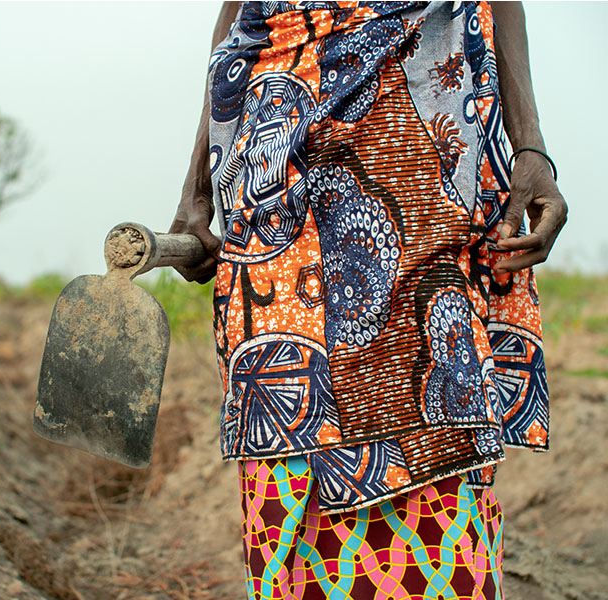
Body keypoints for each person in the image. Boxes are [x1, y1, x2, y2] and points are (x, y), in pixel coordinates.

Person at [170, 2, 567, 599]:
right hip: (277, 138)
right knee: (290, 423)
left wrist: (530, 147)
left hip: (429, 120)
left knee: (438, 409)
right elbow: (241, 12)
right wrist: (198, 187)